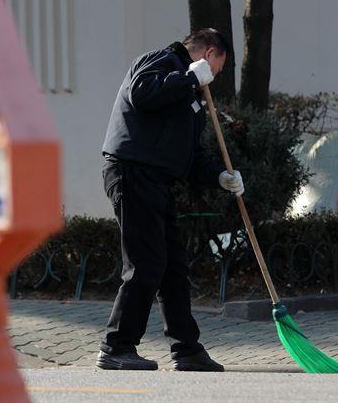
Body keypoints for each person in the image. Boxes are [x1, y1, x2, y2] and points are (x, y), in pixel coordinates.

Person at [97, 28, 244, 371]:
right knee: (145, 264)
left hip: (157, 180)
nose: (214, 79)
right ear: (208, 54)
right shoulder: (162, 61)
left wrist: (220, 176)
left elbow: (189, 154)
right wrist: (188, 77)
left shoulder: (190, 93)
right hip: (132, 172)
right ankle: (116, 347)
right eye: (217, 70)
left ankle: (187, 349)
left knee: (173, 268)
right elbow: (142, 94)